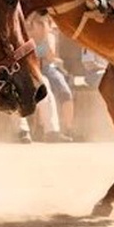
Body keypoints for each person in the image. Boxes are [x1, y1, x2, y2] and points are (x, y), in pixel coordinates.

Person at [24, 13, 73, 142]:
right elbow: (27, 55)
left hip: (45, 69)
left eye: (41, 24)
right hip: (26, 71)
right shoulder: (24, 36)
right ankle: (25, 131)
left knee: (52, 89)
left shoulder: (48, 36)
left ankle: (55, 131)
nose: (37, 27)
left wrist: (43, 38)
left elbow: (49, 56)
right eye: (36, 24)